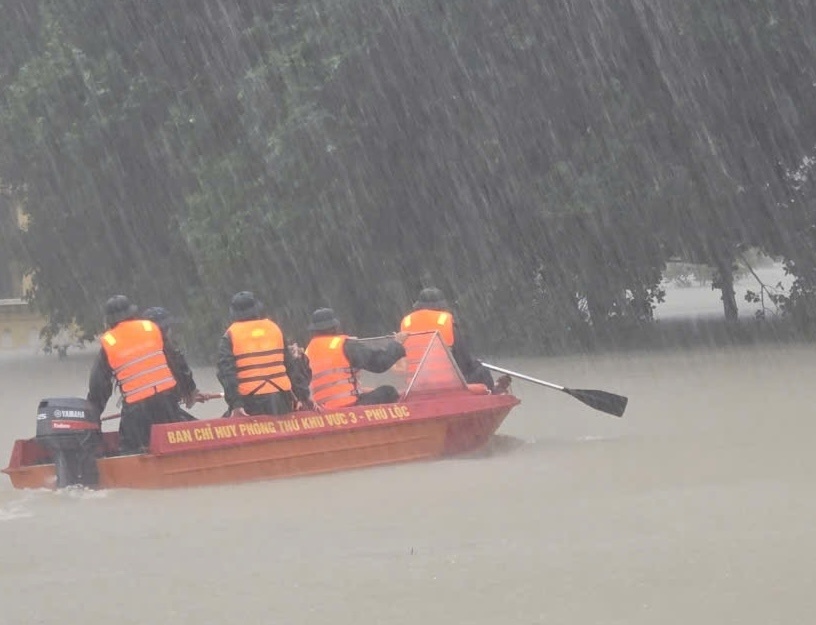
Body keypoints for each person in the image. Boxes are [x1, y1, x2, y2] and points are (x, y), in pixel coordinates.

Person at [87, 295, 202, 454]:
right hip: (166, 403)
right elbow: (176, 361)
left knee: (128, 450)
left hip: (137, 410)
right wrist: (189, 391)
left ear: (108, 321)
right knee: (175, 443)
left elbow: (98, 388)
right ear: (132, 313)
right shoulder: (151, 328)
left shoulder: (109, 342)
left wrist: (93, 420)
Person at [217, 291, 311, 417]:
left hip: (251, 402)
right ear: (257, 309)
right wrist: (300, 396)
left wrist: (236, 404)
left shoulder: (230, 335)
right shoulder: (274, 329)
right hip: (281, 399)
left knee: (225, 419)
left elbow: (226, 373)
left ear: (233, 313)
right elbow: (290, 365)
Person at [400, 287, 506, 393]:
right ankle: (493, 393)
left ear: (418, 305)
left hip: (415, 386)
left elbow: (400, 361)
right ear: (442, 305)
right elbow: (464, 360)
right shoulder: (446, 322)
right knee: (482, 371)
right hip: (447, 384)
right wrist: (476, 364)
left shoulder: (406, 323)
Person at [305, 308, 407, 408]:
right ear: (335, 327)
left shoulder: (307, 352)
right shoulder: (346, 345)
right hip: (349, 407)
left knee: (368, 391)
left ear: (314, 331)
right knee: (389, 392)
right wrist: (397, 344)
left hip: (323, 411)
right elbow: (379, 364)